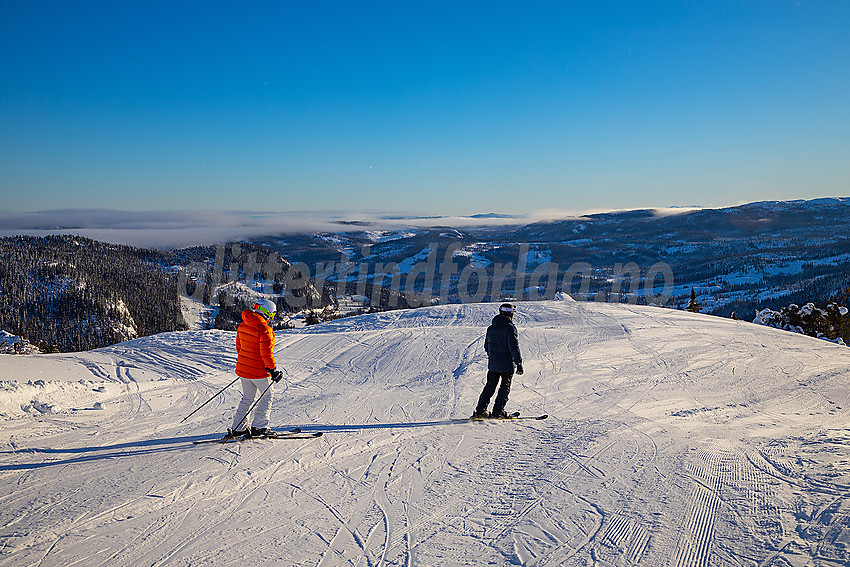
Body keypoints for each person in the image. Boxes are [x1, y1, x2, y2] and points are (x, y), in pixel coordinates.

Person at [226, 298, 283, 438]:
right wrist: (273, 370)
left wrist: (247, 363)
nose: (272, 317)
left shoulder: (242, 325)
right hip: (259, 372)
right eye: (272, 314)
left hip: (244, 370)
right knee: (267, 396)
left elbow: (239, 348)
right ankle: (259, 426)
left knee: (247, 398)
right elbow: (267, 354)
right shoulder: (265, 329)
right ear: (267, 312)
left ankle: (239, 428)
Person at [472, 303, 524, 419]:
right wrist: (519, 363)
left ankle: (480, 411)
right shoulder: (510, 328)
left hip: (493, 364)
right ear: (510, 313)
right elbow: (514, 347)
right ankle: (498, 412)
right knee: (504, 388)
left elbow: (486, 347)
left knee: (490, 387)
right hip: (506, 364)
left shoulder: (491, 328)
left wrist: (494, 357)